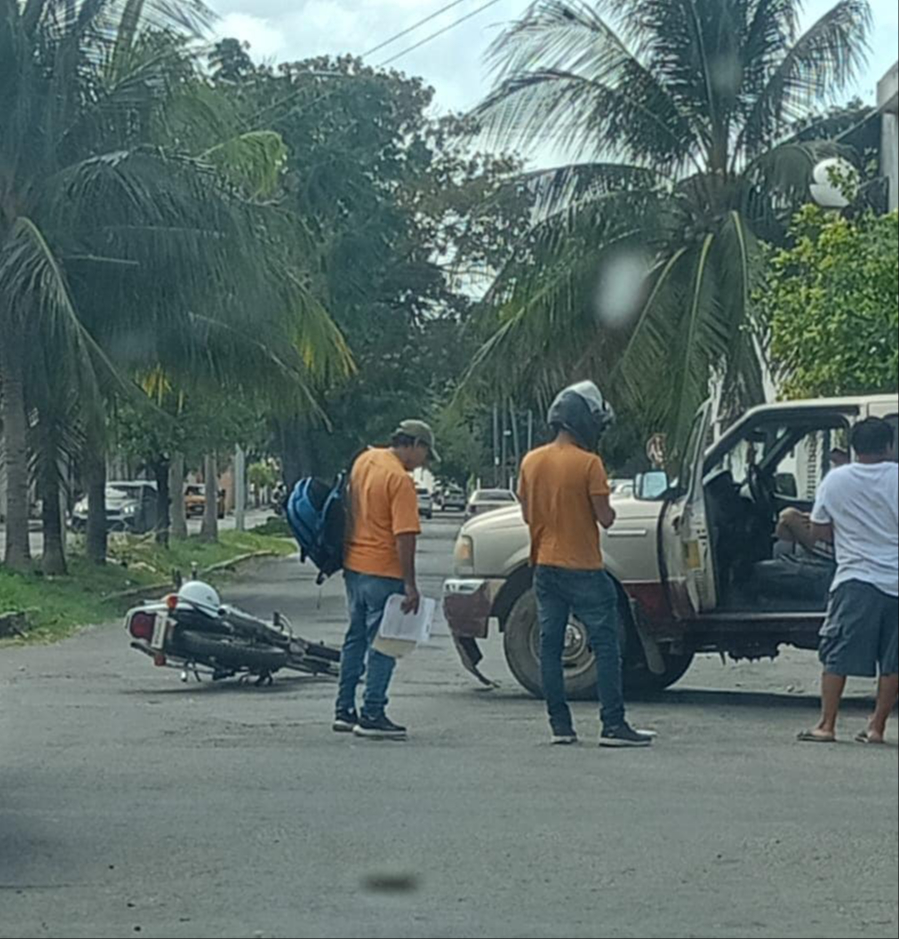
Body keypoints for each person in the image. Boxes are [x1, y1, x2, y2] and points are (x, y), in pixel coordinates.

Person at [518, 381, 653, 748]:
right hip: (585, 568)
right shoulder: (590, 464)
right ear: (583, 421)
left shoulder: (531, 461)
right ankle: (613, 725)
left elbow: (528, 513)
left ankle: (560, 726)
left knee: (550, 645)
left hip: (544, 564)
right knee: (606, 645)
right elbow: (605, 518)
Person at [333, 420, 438, 741]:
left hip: (354, 565)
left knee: (355, 638)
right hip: (384, 570)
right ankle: (373, 713)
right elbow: (404, 536)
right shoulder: (399, 480)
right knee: (385, 643)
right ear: (414, 445)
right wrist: (410, 584)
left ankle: (344, 710)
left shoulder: (365, 460)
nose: (424, 462)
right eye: (425, 454)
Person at [798, 418, 899, 745]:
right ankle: (877, 728)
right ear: (889, 446)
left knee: (836, 653)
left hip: (855, 578)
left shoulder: (835, 480)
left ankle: (827, 724)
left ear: (853, 447)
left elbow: (819, 530)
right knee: (893, 659)